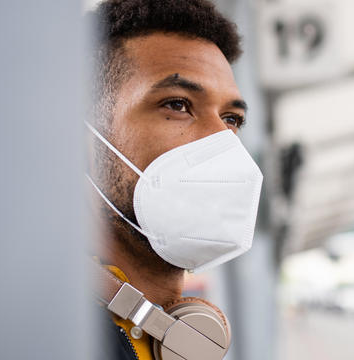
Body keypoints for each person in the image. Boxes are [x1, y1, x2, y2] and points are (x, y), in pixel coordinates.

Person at [86, 1, 263, 359]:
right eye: (178, 105)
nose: (223, 142)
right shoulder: (39, 333)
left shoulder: (159, 336)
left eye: (231, 119)